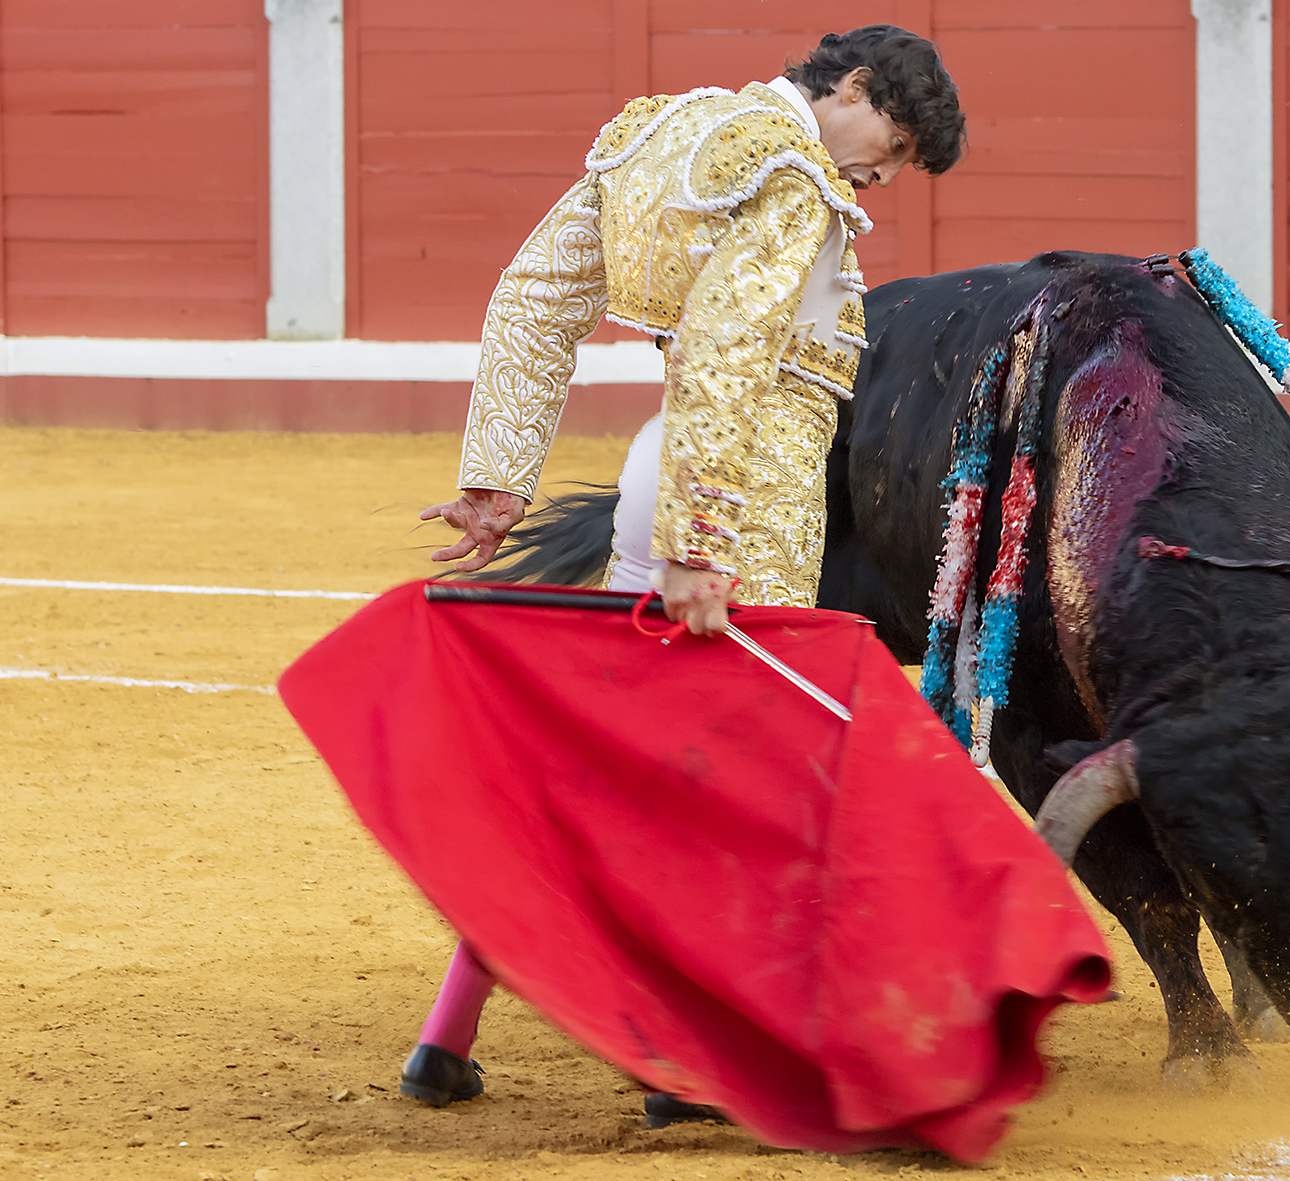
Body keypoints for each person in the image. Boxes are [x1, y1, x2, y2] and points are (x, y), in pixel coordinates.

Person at [401, 26, 965, 1117]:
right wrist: (702, 546)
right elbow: (723, 356)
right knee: (738, 792)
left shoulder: (653, 132)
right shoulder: (793, 176)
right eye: (887, 146)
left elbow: (534, 297)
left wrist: (497, 479)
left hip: (656, 471)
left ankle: (448, 1031)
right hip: (737, 496)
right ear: (852, 89)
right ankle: (685, 1059)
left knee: (602, 775)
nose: (879, 177)